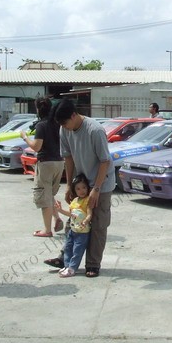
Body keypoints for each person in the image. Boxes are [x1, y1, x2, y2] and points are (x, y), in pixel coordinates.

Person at [44, 99, 115, 278]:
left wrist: (96, 189)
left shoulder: (94, 130)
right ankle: (65, 258)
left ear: (74, 115)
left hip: (101, 182)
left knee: (97, 224)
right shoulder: (64, 130)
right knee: (74, 220)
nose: (64, 127)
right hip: (81, 183)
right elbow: (68, 158)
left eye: (65, 122)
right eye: (61, 124)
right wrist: (69, 185)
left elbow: (105, 161)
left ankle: (93, 264)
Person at [21, 97, 65, 237]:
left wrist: (25, 137)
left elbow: (36, 147)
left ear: (38, 109)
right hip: (59, 162)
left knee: (43, 196)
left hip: (46, 163)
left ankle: (47, 230)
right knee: (49, 193)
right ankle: (56, 218)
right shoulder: (58, 124)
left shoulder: (42, 125)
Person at [54, 174, 92, 278]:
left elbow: (89, 214)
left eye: (84, 187)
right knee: (68, 248)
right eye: (78, 188)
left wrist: (86, 221)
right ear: (74, 190)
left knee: (77, 251)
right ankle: (67, 266)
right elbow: (70, 214)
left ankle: (72, 268)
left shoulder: (87, 200)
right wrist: (60, 210)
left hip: (82, 232)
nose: (81, 191)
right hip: (73, 230)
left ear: (88, 188)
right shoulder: (75, 201)